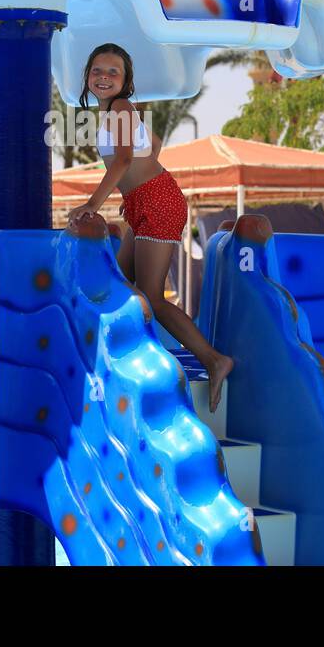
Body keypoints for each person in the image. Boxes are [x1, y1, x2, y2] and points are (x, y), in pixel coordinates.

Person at [65, 43, 234, 412]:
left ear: (125, 81)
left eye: (113, 72)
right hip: (146, 201)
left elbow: (125, 158)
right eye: (97, 70)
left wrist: (93, 205)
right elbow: (151, 147)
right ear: (87, 76)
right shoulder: (114, 112)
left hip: (159, 202)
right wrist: (133, 193)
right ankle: (115, 363)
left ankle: (213, 359)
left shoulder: (120, 108)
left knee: (151, 297)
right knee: (119, 285)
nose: (104, 77)